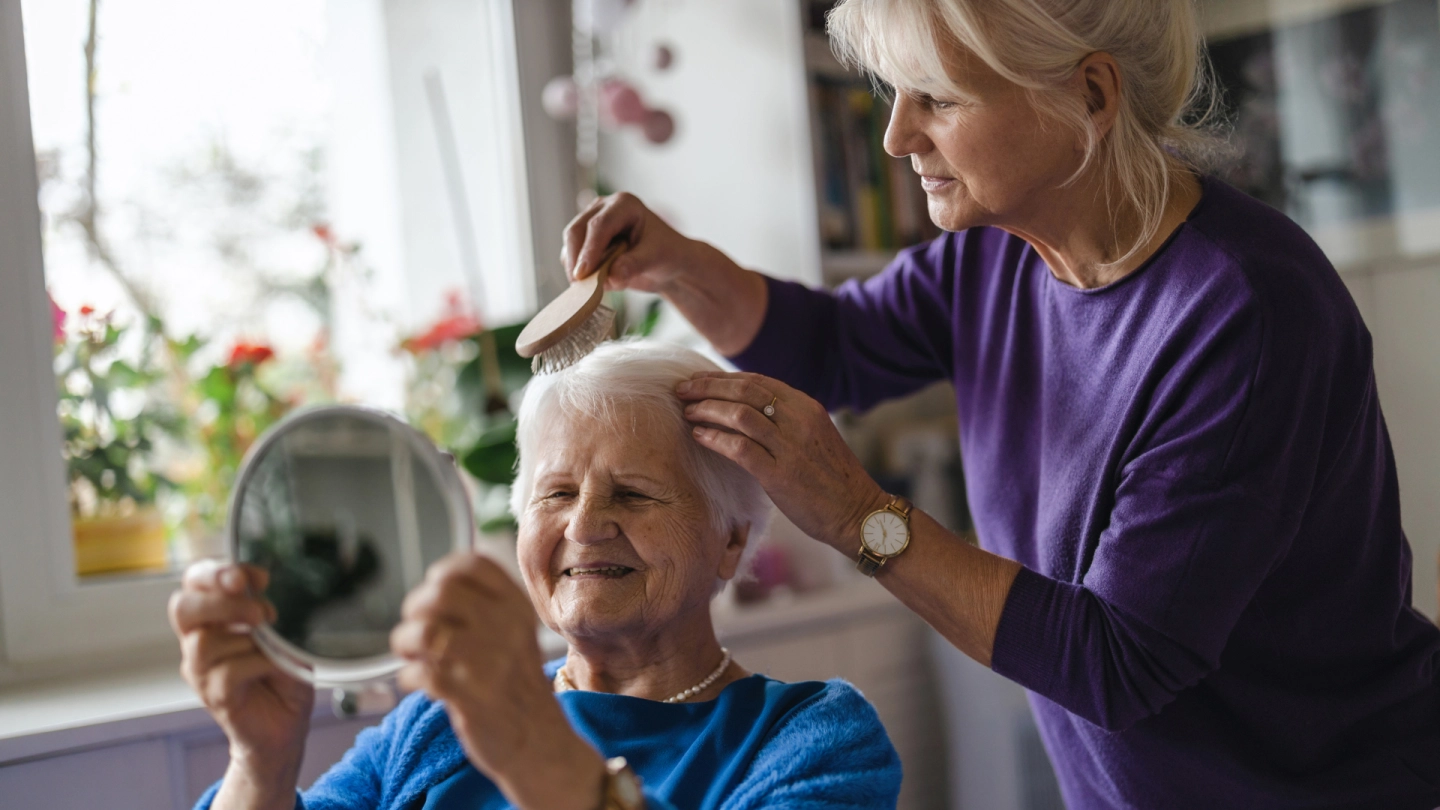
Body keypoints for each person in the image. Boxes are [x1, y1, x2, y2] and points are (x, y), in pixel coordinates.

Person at [562, 1, 1440, 807]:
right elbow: (832, 348)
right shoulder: (997, 254)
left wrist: (856, 514)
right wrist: (678, 263)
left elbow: (1118, 663)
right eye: (894, 95)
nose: (898, 137)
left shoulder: (1245, 312)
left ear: (1091, 93)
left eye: (937, 98)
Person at [169, 341, 901, 810]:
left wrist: (532, 750)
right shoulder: (432, 724)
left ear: (731, 542)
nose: (583, 526)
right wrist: (260, 764)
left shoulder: (812, 739)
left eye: (634, 493)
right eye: (554, 495)